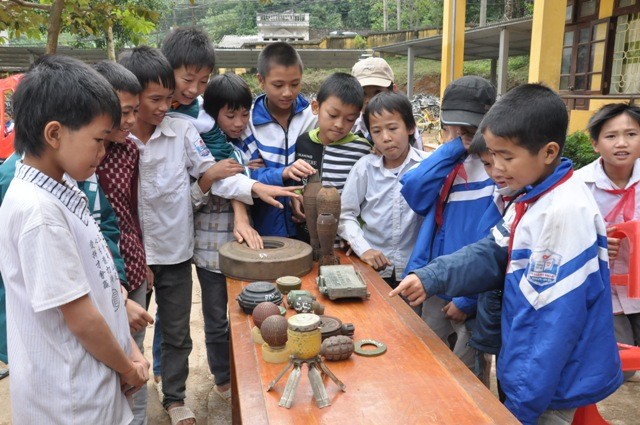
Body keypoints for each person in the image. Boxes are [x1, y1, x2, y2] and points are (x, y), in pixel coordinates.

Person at [391, 83, 623, 425]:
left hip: (548, 387)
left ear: (548, 152)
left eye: (506, 156)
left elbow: (550, 325)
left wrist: (519, 407)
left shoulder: (560, 214)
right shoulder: (532, 195)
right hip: (533, 377)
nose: (496, 167)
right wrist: (432, 276)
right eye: (492, 156)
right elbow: (491, 251)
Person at [119, 46, 298, 425]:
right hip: (132, 257)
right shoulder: (118, 142)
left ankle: (174, 397)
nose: (167, 105)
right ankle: (128, 407)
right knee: (127, 335)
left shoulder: (183, 130)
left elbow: (214, 174)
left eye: (170, 97)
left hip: (176, 253)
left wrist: (253, 187)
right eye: (157, 99)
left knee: (178, 331)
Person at [0, 54, 148, 425]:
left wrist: (129, 348)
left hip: (91, 381)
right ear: (54, 134)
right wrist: (128, 369)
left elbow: (98, 283)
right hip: (70, 399)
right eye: (98, 140)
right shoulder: (39, 212)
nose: (103, 151)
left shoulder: (63, 185)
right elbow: (80, 318)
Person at [400, 76, 497, 370]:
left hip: (470, 289)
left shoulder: (495, 168)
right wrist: (453, 148)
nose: (464, 134)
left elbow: (493, 244)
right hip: (433, 283)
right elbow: (414, 191)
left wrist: (467, 300)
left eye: (471, 128)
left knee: (467, 369)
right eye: (455, 126)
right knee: (426, 362)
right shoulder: (445, 160)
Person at [93, 59, 155, 424]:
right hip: (99, 276)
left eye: (135, 110)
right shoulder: (81, 154)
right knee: (106, 363)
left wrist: (142, 258)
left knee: (138, 358)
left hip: (130, 267)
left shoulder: (130, 150)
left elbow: (130, 210)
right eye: (124, 112)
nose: (131, 120)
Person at [576, 103, 640, 380]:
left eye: (631, 134)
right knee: (621, 366)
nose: (622, 143)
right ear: (595, 144)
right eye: (611, 136)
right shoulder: (579, 185)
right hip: (604, 291)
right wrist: (596, 242)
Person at [338, 91, 427, 289]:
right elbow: (344, 214)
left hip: (416, 272)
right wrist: (364, 249)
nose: (386, 138)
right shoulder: (365, 168)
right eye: (377, 131)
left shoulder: (426, 166)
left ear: (411, 127)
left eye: (393, 128)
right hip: (372, 269)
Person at [239, 41, 317, 237]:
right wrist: (283, 172)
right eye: (278, 85)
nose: (287, 92)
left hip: (305, 230)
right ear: (261, 80)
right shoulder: (247, 122)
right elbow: (242, 176)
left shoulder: (312, 117)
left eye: (295, 84)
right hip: (262, 231)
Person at [350, 56, 421, 149]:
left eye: (378, 92)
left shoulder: (407, 131)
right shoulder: (350, 128)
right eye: (363, 93)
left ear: (394, 90)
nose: (370, 100)